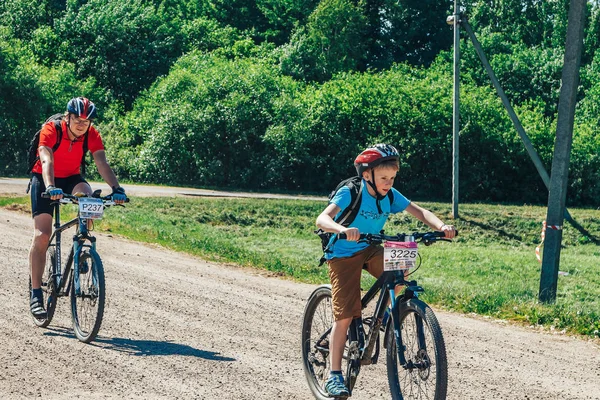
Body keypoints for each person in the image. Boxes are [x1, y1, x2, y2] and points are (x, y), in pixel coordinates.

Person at [315, 143, 456, 397]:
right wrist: (342, 230)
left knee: (400, 271)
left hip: (370, 247)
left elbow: (419, 211)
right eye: (383, 178)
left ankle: (393, 317)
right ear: (367, 175)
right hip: (343, 253)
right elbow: (322, 219)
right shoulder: (351, 191)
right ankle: (334, 375)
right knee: (346, 313)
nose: (388, 182)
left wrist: (441, 226)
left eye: (392, 178)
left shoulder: (390, 195)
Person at [28, 97, 127, 319]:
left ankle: (81, 250)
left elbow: (101, 162)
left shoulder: (91, 134)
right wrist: (51, 186)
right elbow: (46, 161)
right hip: (44, 178)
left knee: (90, 199)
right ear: (68, 117)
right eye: (78, 119)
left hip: (72, 177)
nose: (82, 124)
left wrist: (117, 189)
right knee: (43, 235)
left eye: (87, 120)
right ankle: (36, 294)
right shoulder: (51, 129)